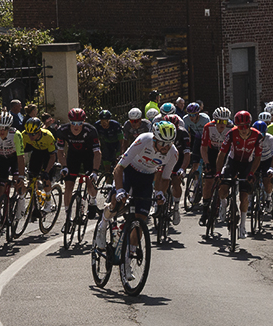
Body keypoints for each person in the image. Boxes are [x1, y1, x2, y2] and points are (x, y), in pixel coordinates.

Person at [95, 120, 178, 252]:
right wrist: (120, 190)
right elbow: (119, 168)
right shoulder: (144, 140)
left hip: (147, 178)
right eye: (162, 143)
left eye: (169, 144)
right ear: (154, 139)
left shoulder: (173, 153)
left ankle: (130, 254)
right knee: (117, 203)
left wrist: (160, 193)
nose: (165, 147)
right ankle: (103, 224)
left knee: (141, 219)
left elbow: (165, 178)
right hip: (129, 171)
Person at [214, 110, 262, 237]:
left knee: (243, 197)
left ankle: (242, 225)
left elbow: (258, 157)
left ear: (250, 125)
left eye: (246, 126)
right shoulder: (231, 134)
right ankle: (223, 204)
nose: (244, 129)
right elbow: (222, 154)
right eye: (240, 127)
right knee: (223, 189)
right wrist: (218, 172)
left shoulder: (257, 136)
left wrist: (252, 173)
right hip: (233, 162)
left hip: (247, 164)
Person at [59, 107, 102, 231]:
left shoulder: (91, 131)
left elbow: (97, 153)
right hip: (73, 156)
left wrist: (95, 171)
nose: (76, 126)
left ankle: (92, 201)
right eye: (73, 123)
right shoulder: (63, 130)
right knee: (68, 185)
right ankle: (68, 218)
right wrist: (64, 167)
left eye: (79, 123)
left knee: (90, 184)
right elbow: (60, 151)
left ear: (83, 122)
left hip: (88, 155)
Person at [0, 110, 25, 222]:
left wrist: (21, 176)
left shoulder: (16, 135)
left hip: (14, 159)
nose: (2, 131)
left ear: (9, 127)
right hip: (1, 159)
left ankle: (21, 199)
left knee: (18, 183)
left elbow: (20, 157)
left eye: (5, 128)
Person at [198, 107, 234, 223]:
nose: (222, 124)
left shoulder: (231, 128)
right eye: (219, 121)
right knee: (208, 182)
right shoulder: (208, 127)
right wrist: (206, 163)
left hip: (226, 154)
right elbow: (203, 147)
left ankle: (224, 202)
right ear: (215, 120)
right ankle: (205, 211)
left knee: (224, 182)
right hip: (212, 153)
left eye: (225, 121)